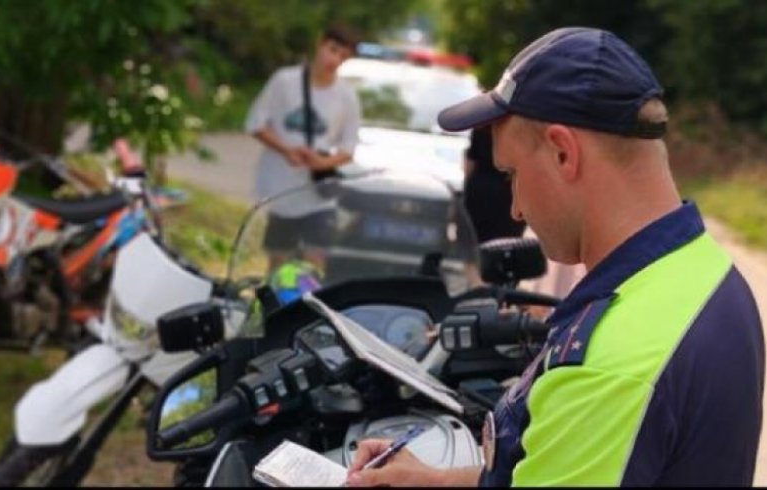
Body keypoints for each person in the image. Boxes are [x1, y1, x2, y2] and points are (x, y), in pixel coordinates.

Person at [347, 27, 764, 487]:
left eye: (512, 174)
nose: (516, 209)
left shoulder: (612, 366)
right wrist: (433, 481)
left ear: (564, 153)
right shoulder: (703, 271)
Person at [244, 23, 362, 273]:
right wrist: (286, 150)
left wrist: (323, 163)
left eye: (343, 56)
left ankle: (309, 308)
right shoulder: (284, 81)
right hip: (282, 189)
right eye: (332, 50)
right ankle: (278, 308)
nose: (334, 59)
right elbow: (256, 123)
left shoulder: (346, 96)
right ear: (320, 44)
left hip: (317, 193)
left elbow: (349, 146)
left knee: (314, 260)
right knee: (279, 262)